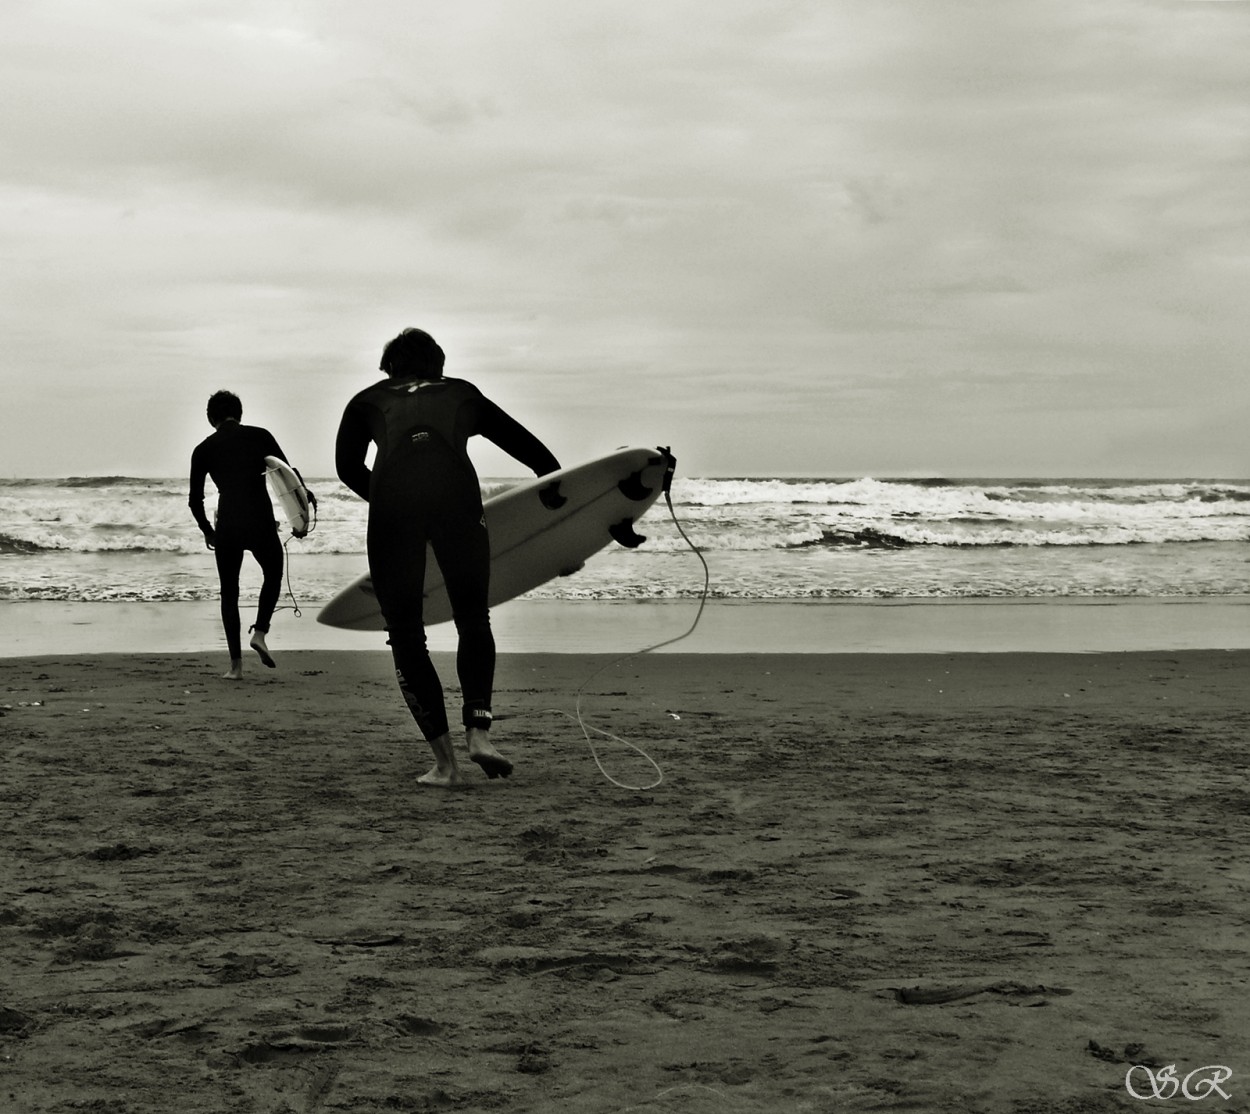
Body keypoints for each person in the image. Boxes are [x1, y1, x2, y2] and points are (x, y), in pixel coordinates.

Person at [335, 328, 560, 786]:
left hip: (394, 505)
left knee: (405, 636)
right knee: (473, 619)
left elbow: (346, 467)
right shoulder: (460, 392)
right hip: (458, 500)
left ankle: (446, 765)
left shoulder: (365, 400)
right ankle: (479, 733)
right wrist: (558, 514)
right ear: (437, 364)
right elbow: (527, 447)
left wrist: (386, 503)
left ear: (389, 368)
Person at [189, 390, 315, 680]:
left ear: (211, 418)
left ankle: (235, 667)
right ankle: (260, 632)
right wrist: (304, 506)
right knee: (273, 573)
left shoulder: (204, 449)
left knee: (229, 593)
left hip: (229, 522)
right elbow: (288, 475)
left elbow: (194, 501)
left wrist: (209, 532)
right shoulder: (260, 436)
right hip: (259, 517)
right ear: (240, 413)